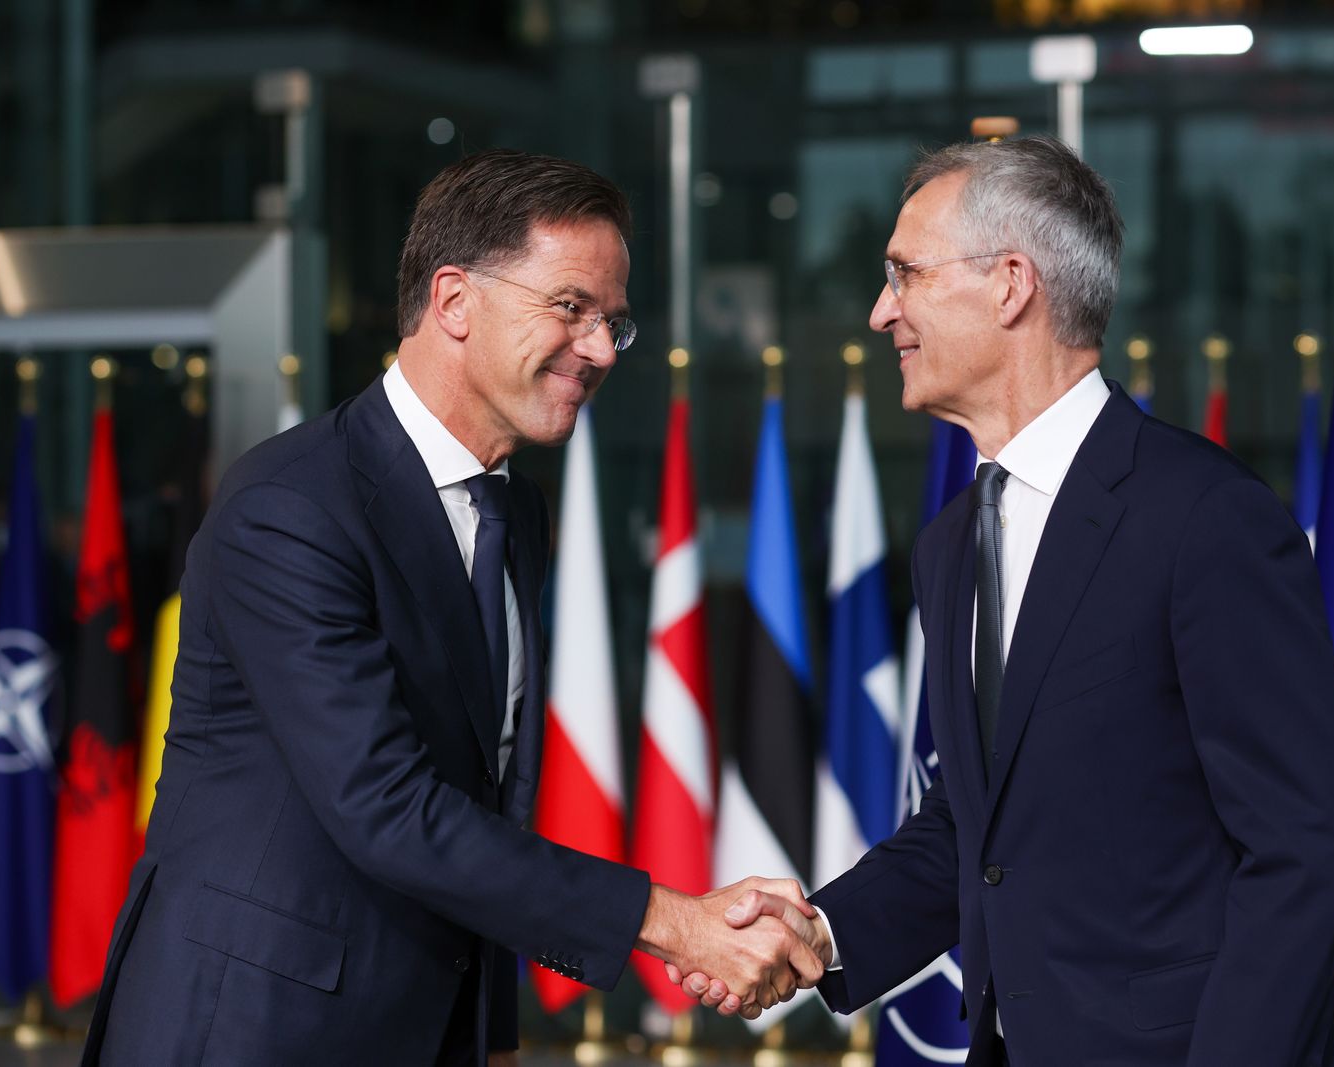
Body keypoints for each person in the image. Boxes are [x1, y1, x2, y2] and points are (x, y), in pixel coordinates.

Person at [81, 149, 823, 1067]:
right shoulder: (292, 503)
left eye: (613, 324)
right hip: (250, 1030)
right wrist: (671, 922)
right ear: (455, 300)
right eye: (571, 308)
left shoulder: (518, 511)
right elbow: (386, 804)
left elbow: (488, 798)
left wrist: (488, 1034)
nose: (598, 349)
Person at [676, 135, 1334, 1065]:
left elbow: (1303, 849)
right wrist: (820, 933)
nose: (882, 311)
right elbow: (977, 823)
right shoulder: (951, 542)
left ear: (1010, 283)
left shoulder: (1206, 517)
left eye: (904, 274)